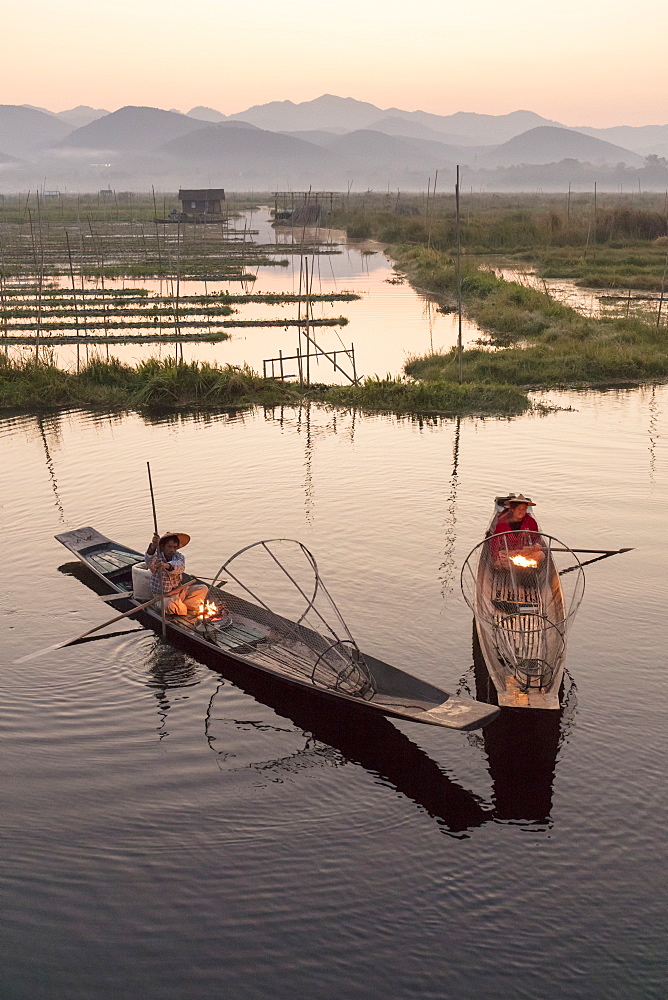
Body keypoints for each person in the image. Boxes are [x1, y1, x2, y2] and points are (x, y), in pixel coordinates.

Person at [145, 531, 209, 615]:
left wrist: (166, 565)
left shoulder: (179, 557)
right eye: (169, 547)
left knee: (203, 589)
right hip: (163, 597)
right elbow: (149, 562)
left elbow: (180, 567)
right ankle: (182, 608)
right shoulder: (157, 557)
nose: (172, 550)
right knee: (169, 605)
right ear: (162, 547)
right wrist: (153, 546)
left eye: (174, 547)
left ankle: (182, 606)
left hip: (179, 591)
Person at [489, 494, 544, 569]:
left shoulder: (531, 521)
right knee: (501, 558)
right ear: (512, 509)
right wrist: (496, 559)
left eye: (524, 509)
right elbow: (495, 542)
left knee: (540, 555)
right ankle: (519, 566)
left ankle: (517, 566)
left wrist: (537, 544)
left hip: (523, 551)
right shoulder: (502, 521)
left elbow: (536, 538)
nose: (522, 512)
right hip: (508, 553)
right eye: (519, 509)